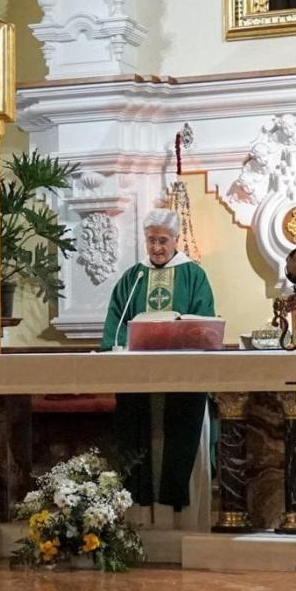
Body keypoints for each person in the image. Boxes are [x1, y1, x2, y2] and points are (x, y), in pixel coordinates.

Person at [101, 209, 216, 511]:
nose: (156, 248)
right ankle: (139, 509)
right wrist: (113, 347)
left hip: (183, 376)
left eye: (163, 240)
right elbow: (116, 319)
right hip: (137, 377)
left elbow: (203, 322)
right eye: (151, 240)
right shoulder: (133, 277)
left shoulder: (193, 275)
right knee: (137, 435)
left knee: (180, 437)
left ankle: (180, 509)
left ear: (176, 240)